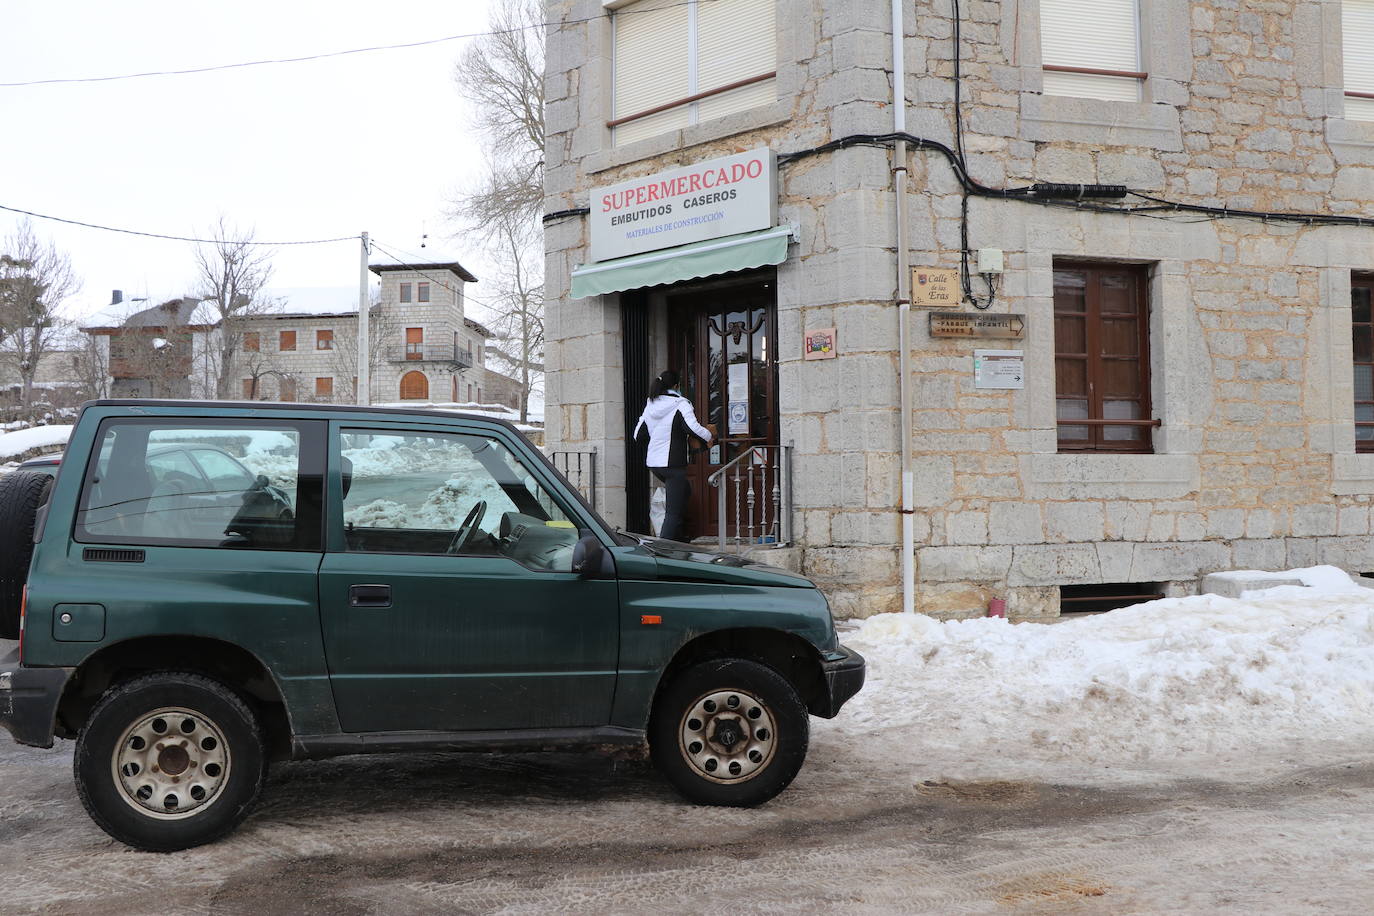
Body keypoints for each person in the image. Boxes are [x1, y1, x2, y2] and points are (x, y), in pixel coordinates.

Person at [633, 369, 713, 542]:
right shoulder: (680, 403)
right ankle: (663, 549)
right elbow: (693, 428)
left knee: (685, 491)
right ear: (677, 386)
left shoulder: (651, 404)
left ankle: (679, 538)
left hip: (655, 464)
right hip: (673, 464)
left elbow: (637, 435)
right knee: (672, 511)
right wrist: (710, 436)